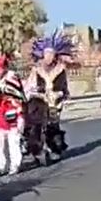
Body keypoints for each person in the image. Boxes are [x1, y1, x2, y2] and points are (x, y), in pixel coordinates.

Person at [24, 32, 73, 164]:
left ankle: (55, 148)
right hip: (39, 101)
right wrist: (33, 92)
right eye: (46, 54)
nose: (48, 57)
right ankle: (36, 149)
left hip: (55, 102)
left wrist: (62, 94)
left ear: (55, 55)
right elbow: (29, 85)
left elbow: (64, 86)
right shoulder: (37, 70)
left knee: (53, 125)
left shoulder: (61, 69)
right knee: (38, 126)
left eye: (51, 54)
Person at [0, 55, 27, 176]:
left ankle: (15, 164)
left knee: (14, 140)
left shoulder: (13, 79)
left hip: (12, 113)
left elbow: (19, 95)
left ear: (5, 68)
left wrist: (16, 105)